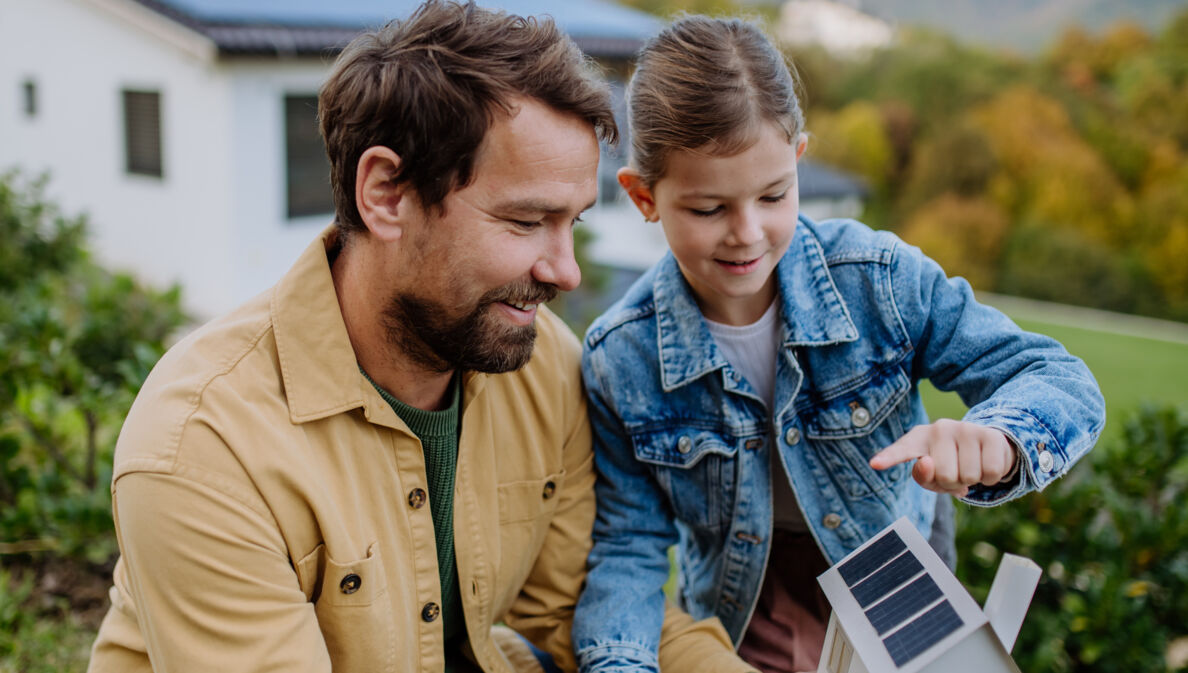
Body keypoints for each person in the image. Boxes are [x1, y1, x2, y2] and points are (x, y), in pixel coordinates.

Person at [86, 3, 751, 672]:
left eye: (572, 221)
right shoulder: (204, 447)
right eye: (525, 221)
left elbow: (580, 608)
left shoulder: (544, 364)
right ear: (385, 193)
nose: (566, 271)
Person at [572, 15, 1105, 673]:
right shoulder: (619, 357)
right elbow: (628, 544)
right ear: (644, 196)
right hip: (744, 614)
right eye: (709, 209)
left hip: (899, 596)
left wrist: (997, 439)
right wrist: (621, 662)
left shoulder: (879, 281)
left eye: (773, 195)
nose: (747, 232)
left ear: (798, 159)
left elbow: (1058, 376)